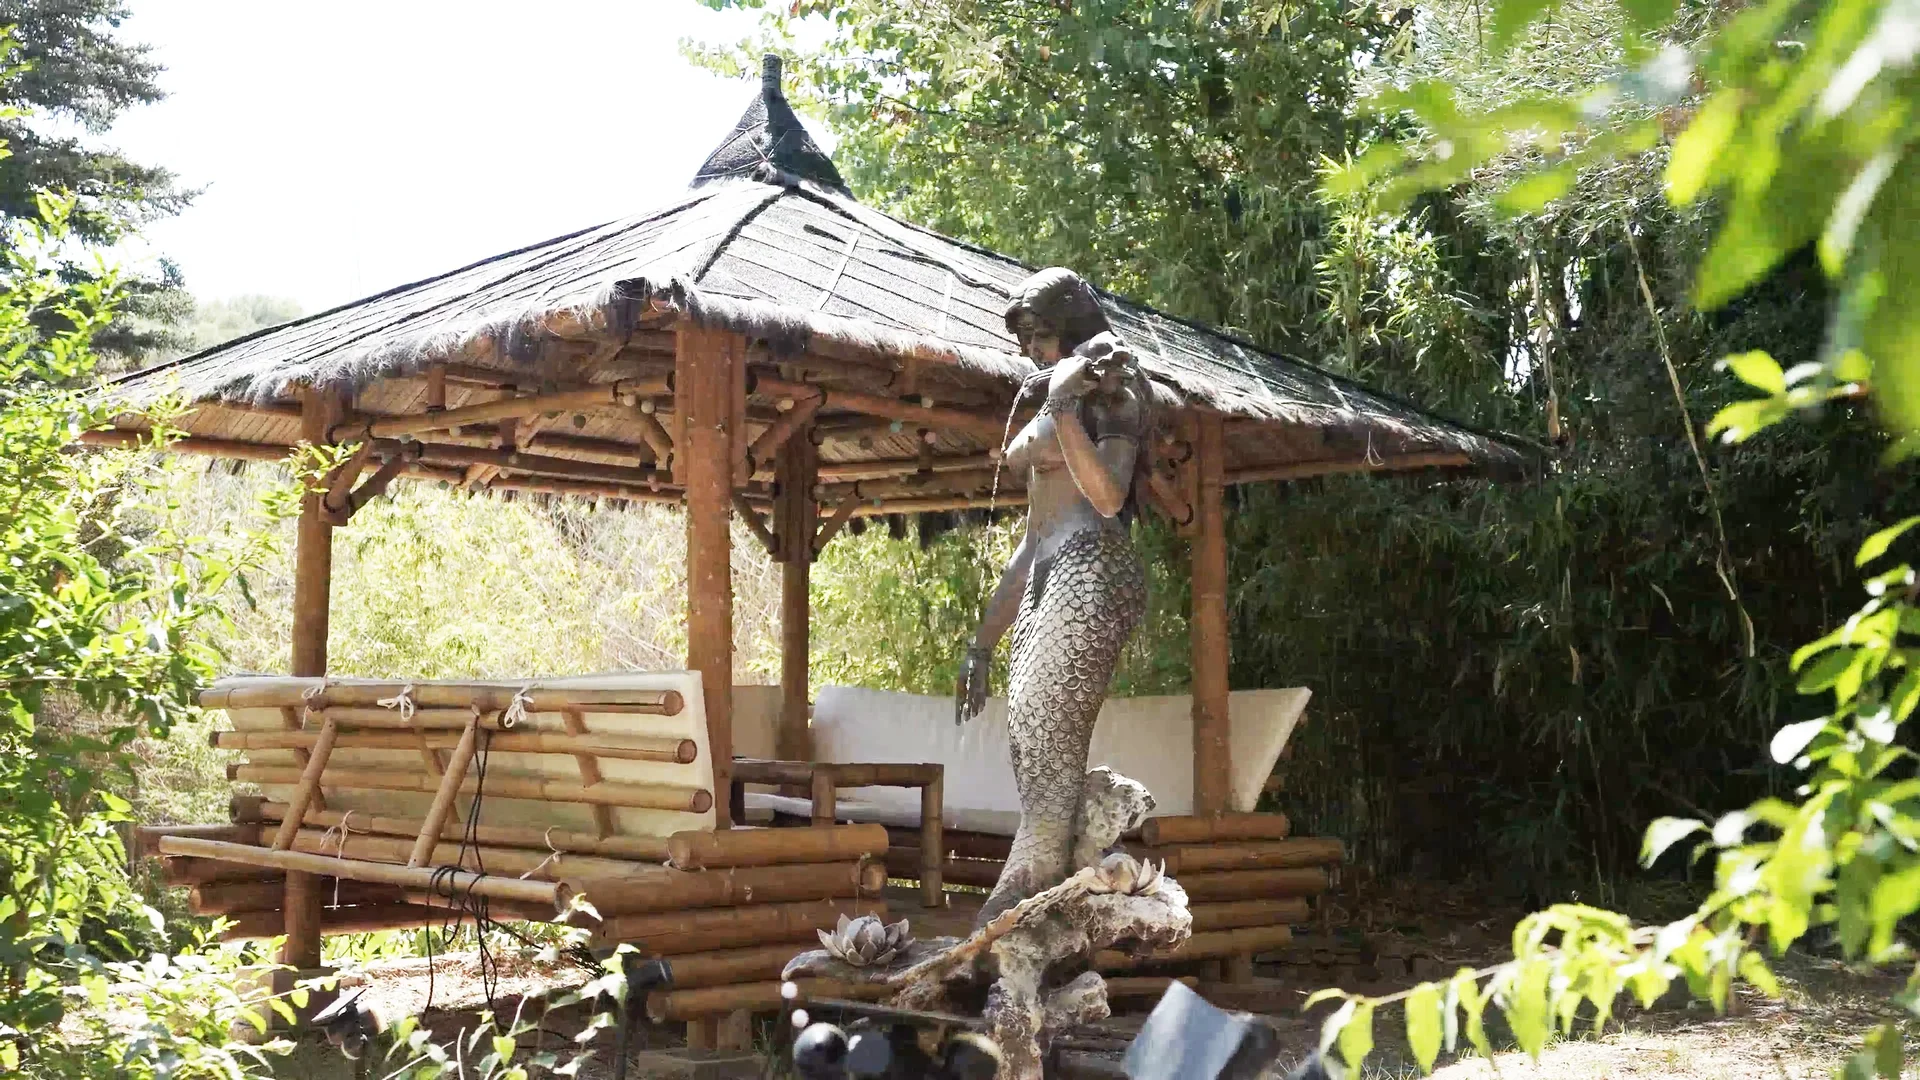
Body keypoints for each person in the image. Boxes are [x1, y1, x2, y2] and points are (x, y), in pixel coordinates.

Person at [955, 266, 1153, 926]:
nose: (1030, 351)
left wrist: (1066, 407)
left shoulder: (1112, 386)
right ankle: (1047, 901)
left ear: (1070, 323)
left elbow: (1108, 497)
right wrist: (982, 645)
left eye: (1039, 334)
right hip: (1051, 567)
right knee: (1031, 748)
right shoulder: (1056, 389)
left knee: (1046, 749)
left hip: (1095, 570)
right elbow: (1031, 539)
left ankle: (1012, 912)